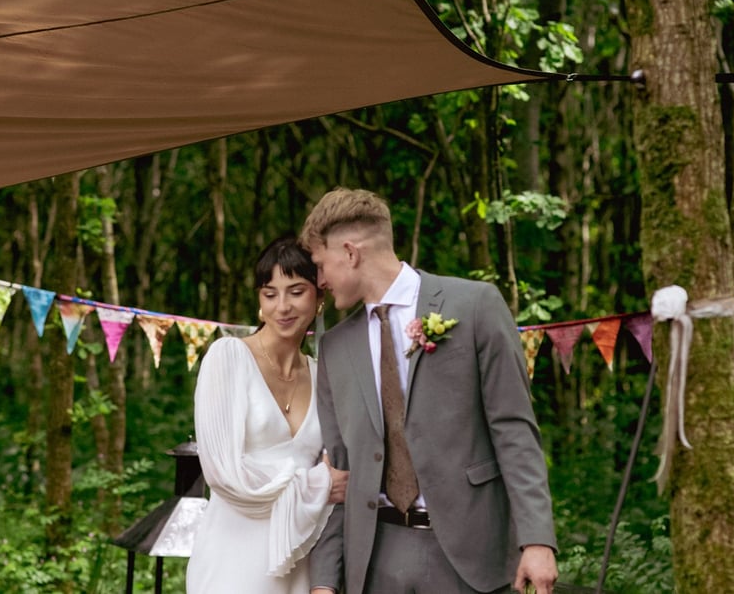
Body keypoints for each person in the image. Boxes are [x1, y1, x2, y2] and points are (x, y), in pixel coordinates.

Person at [300, 188, 558, 594]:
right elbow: (339, 473)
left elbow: (514, 430)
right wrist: (325, 582)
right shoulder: (334, 347)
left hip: (470, 557)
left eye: (320, 264)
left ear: (349, 253)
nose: (320, 281)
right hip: (375, 564)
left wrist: (537, 539)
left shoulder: (475, 306)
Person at [186, 236, 348, 594]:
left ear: (319, 297)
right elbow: (224, 474)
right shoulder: (228, 357)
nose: (282, 307)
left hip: (297, 559)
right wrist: (318, 485)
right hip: (231, 560)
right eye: (270, 294)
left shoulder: (323, 376)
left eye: (296, 291)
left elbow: (338, 466)